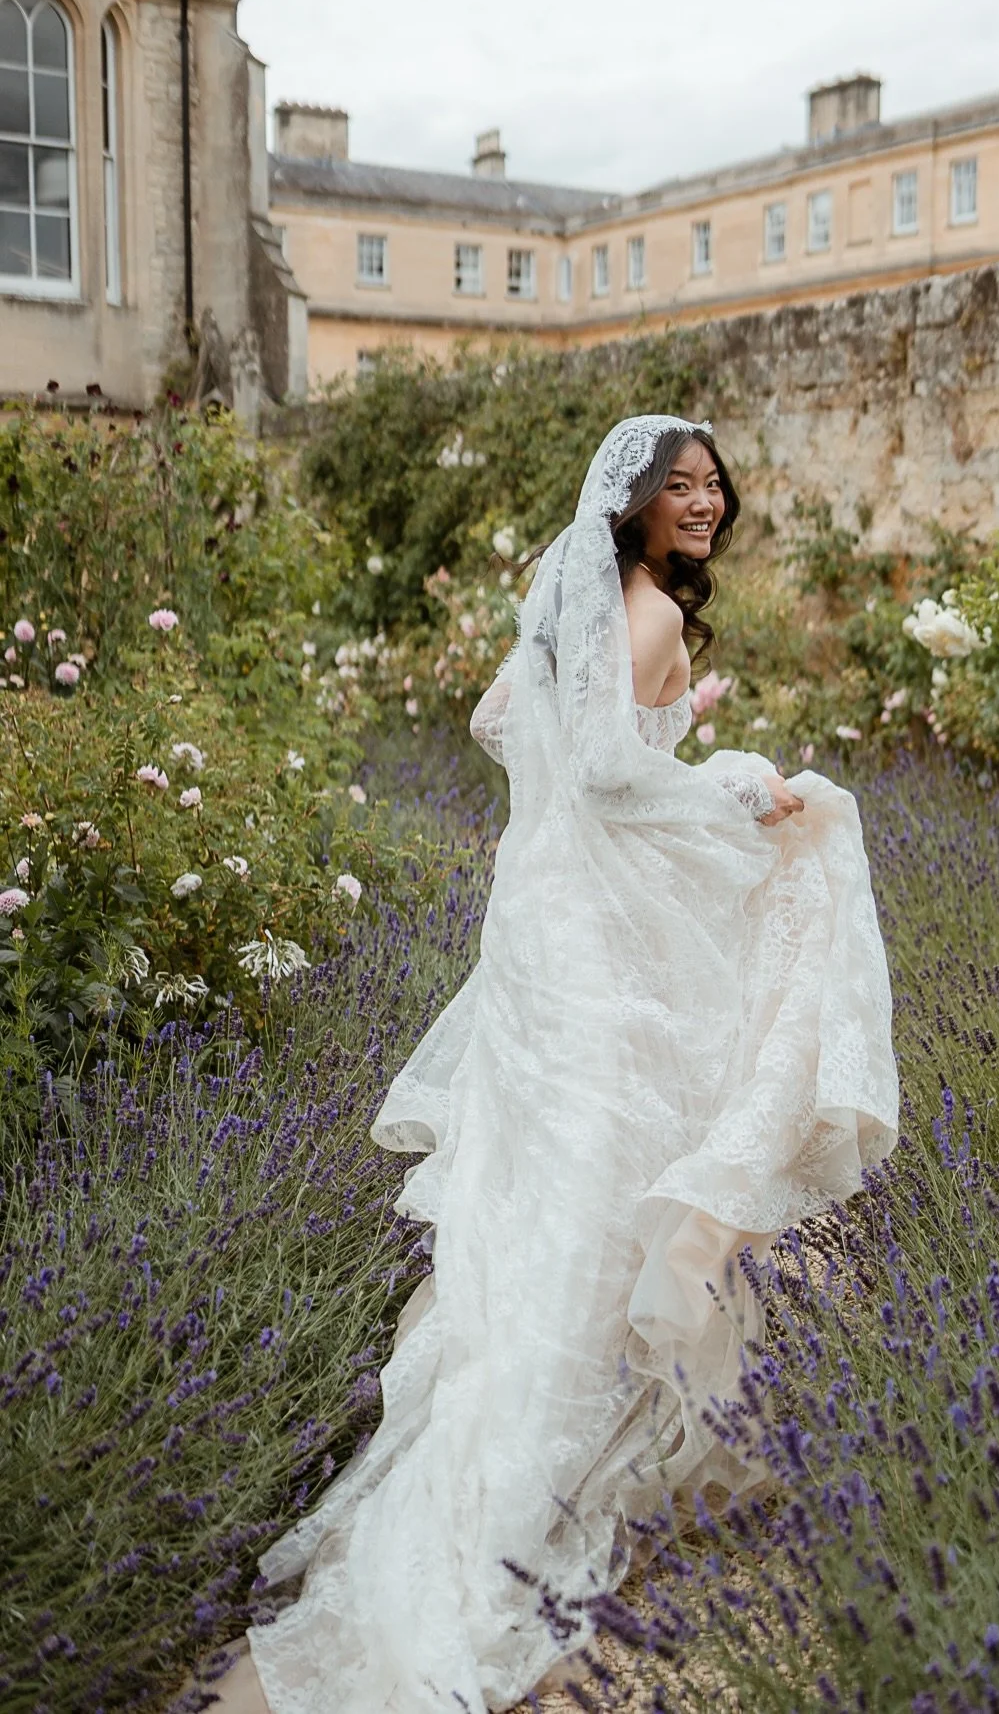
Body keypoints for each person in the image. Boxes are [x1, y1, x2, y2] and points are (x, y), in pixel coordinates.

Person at [212, 414, 898, 1714]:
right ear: (635, 506)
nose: (701, 502)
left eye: (712, 486)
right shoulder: (646, 617)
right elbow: (597, 774)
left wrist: (665, 736)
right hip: (599, 950)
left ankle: (516, 1435)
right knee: (609, 1178)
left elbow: (501, 727)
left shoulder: (595, 617)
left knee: (557, 1196)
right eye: (680, 487)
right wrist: (735, 787)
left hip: (554, 939)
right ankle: (527, 1478)